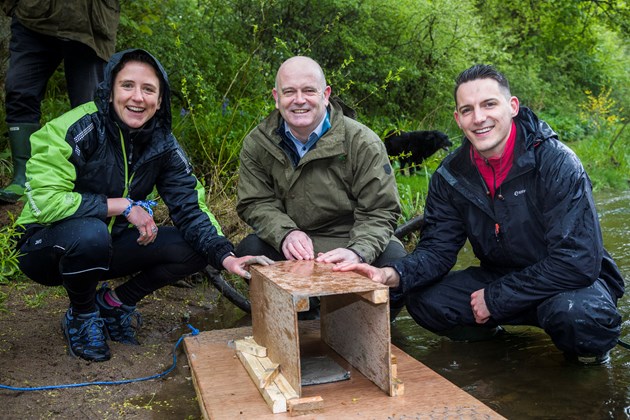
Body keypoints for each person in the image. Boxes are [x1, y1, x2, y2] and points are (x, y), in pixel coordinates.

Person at [334, 64, 625, 365]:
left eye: (489, 104)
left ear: (512, 107)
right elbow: (437, 251)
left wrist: (497, 297)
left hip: (569, 283)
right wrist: (392, 274)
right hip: (501, 275)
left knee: (580, 319)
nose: (479, 118)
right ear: (458, 119)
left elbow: (577, 261)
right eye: (468, 109)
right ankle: (497, 347)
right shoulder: (450, 176)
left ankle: (589, 357)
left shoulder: (558, 162)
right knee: (424, 301)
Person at [14, 48, 272, 362]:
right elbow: (45, 202)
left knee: (193, 247)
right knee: (91, 232)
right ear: (110, 91)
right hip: (44, 246)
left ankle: (113, 303)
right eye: (127, 86)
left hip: (107, 245)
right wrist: (121, 206)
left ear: (160, 100)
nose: (138, 97)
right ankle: (82, 317)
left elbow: (190, 207)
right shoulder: (76, 128)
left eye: (148, 89)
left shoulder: (162, 143)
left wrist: (225, 256)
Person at [235, 56, 406, 312]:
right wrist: (285, 234)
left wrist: (358, 252)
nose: (299, 100)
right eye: (289, 92)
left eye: (309, 91)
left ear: (326, 94)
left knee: (396, 263)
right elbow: (254, 202)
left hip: (350, 238)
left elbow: (381, 211)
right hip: (295, 244)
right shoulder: (257, 143)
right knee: (251, 250)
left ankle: (359, 323)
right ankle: (296, 319)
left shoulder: (362, 141)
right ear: (276, 97)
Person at [0, 0, 120, 203]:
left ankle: (86, 185)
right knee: (19, 90)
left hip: (91, 24)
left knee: (90, 109)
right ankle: (24, 177)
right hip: (34, 16)